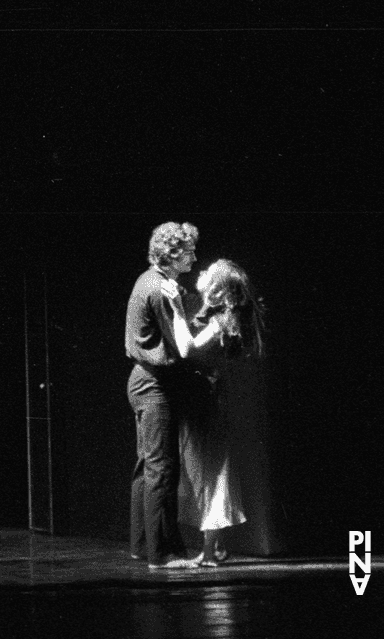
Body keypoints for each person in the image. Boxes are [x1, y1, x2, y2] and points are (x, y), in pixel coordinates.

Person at [170, 258, 273, 565]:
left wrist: (176, 311)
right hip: (205, 401)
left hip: (206, 404)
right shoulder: (215, 314)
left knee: (210, 472)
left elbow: (188, 349)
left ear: (218, 288)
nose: (201, 272)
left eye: (208, 272)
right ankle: (214, 546)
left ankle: (211, 549)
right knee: (208, 471)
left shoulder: (220, 322)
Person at [125, 221, 207, 569]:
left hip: (146, 382)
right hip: (154, 384)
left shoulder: (152, 280)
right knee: (162, 469)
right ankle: (163, 554)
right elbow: (182, 345)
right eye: (189, 251)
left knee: (149, 467)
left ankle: (143, 546)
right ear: (172, 254)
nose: (193, 256)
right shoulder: (159, 288)